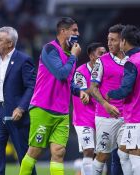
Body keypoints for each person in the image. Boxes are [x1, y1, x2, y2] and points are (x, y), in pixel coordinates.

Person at [19, 17, 88, 175]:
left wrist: (79, 91)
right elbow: (61, 74)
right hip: (43, 107)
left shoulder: (69, 54)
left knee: (59, 152)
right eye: (74, 30)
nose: (78, 33)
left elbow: (68, 81)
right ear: (63, 31)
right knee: (35, 151)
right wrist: (74, 57)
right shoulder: (50, 49)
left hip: (62, 112)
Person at [0, 26, 37, 175]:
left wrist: (21, 107)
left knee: (24, 154)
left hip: (16, 113)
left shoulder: (24, 60)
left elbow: (31, 87)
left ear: (10, 43)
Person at [107, 25, 140, 175]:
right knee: (123, 152)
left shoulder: (131, 62)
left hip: (137, 113)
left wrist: (110, 94)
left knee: (136, 156)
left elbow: (125, 90)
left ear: (123, 41)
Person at [86, 24, 126, 175]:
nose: (109, 43)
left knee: (126, 155)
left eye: (113, 40)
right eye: (108, 39)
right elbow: (92, 87)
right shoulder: (101, 61)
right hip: (105, 116)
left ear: (123, 41)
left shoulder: (132, 60)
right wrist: (105, 104)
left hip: (127, 116)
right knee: (103, 155)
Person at [72, 42, 106, 175]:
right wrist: (87, 93)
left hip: (101, 117)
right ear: (92, 56)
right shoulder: (80, 71)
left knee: (100, 154)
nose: (104, 56)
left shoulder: (106, 69)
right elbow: (82, 90)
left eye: (105, 53)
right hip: (84, 118)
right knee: (89, 150)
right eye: (101, 53)